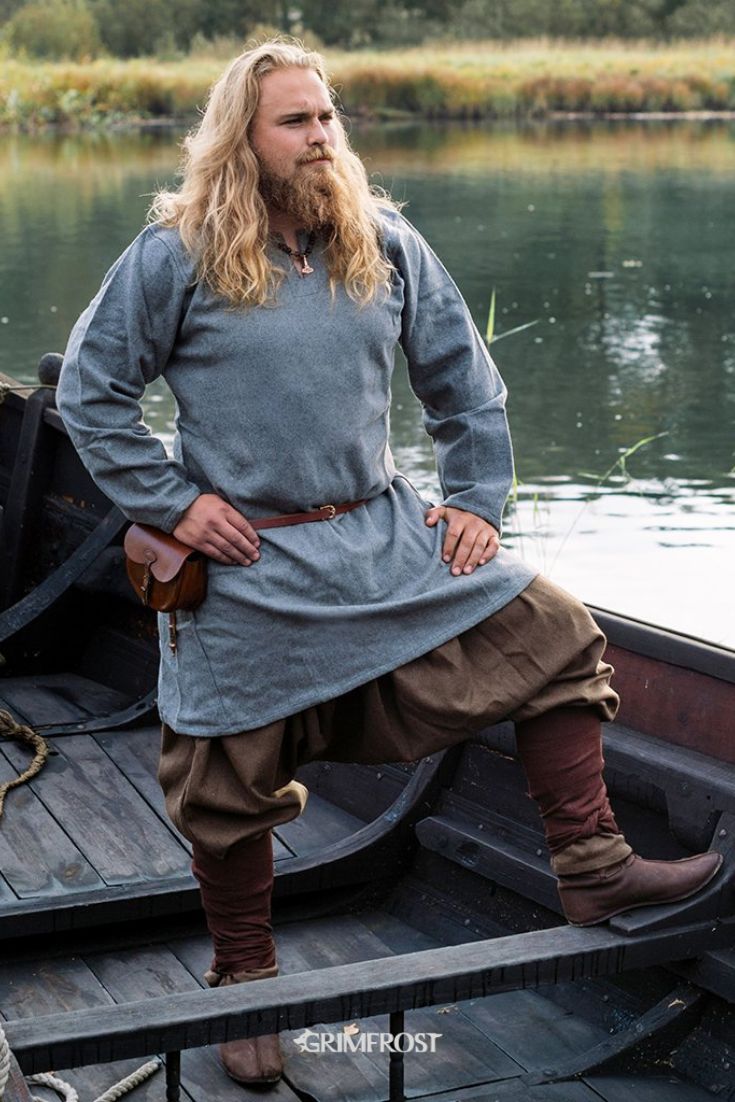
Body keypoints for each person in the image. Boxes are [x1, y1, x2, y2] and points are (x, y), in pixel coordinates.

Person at [56, 38, 721, 1089]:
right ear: (244, 137)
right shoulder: (174, 252)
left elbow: (469, 384)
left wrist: (476, 503)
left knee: (552, 629)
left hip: (380, 537)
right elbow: (91, 396)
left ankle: (594, 871)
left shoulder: (386, 241)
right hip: (251, 561)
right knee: (223, 774)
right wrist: (179, 504)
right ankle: (248, 979)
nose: (322, 138)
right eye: (296, 122)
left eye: (329, 118)